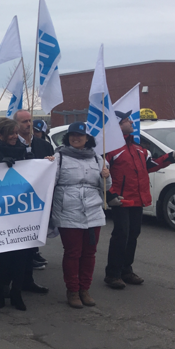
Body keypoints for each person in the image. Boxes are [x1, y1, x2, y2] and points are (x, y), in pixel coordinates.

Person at [0, 118, 54, 311]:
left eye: (15, 132)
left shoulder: (24, 152)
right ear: (1, 135)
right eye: (10, 133)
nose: (14, 136)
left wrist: (45, 165)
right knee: (4, 257)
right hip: (2, 215)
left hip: (22, 215)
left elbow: (35, 175)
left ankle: (16, 293)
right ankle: (0, 292)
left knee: (22, 257)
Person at [104, 111, 175, 289]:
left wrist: (169, 158)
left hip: (138, 199)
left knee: (133, 234)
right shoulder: (110, 149)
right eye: (127, 121)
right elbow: (102, 175)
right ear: (118, 125)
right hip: (121, 200)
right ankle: (113, 274)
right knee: (121, 234)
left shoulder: (139, 148)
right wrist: (110, 195)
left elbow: (150, 166)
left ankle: (126, 270)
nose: (131, 122)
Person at [51, 122, 111, 308]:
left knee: (89, 253)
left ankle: (85, 289)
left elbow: (107, 188)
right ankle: (73, 290)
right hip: (69, 212)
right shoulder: (59, 157)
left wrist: (106, 177)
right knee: (73, 253)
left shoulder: (98, 160)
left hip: (93, 212)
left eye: (80, 135)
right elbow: (48, 183)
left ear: (87, 138)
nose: (75, 138)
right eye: (72, 135)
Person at [13, 110, 52, 292]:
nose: (28, 125)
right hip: (16, 202)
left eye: (29, 121)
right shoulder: (9, 145)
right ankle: (12, 282)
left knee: (31, 245)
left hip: (36, 203)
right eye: (24, 122)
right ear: (16, 125)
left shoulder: (44, 146)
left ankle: (28, 280)